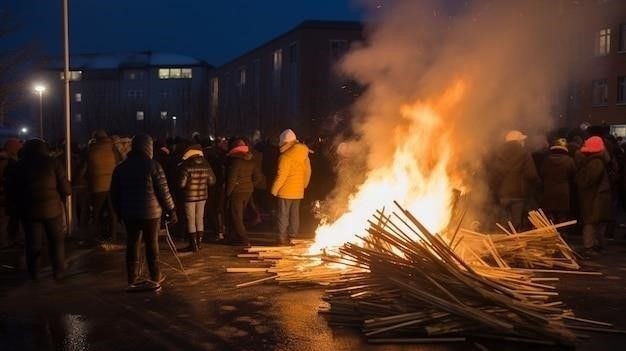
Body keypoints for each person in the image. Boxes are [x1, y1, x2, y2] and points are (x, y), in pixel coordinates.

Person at [111, 134, 177, 292]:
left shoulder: (121, 167)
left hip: (130, 213)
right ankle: (155, 276)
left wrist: (119, 212)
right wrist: (171, 210)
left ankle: (132, 278)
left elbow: (115, 194)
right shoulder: (153, 166)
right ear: (148, 147)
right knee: (151, 244)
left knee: (132, 243)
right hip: (151, 213)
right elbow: (163, 191)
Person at [5, 139, 71, 280]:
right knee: (56, 241)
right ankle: (58, 271)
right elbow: (66, 189)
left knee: (32, 243)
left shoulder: (18, 165)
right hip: (52, 210)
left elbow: (11, 190)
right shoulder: (53, 163)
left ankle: (34, 273)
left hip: (29, 210)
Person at [490, 130, 541, 231]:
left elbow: (494, 175)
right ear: (518, 141)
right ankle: (515, 243)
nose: (523, 142)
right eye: (522, 140)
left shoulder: (498, 154)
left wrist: (497, 191)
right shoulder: (524, 154)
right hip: (518, 194)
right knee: (516, 224)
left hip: (503, 195)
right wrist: (538, 185)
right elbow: (531, 174)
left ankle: (503, 243)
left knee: (504, 223)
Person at [76, 130, 119, 241]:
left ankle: (95, 235)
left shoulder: (90, 151)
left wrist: (78, 180)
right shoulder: (113, 149)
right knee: (112, 212)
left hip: (97, 185)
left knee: (96, 213)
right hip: (113, 186)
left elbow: (82, 170)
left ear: (95, 139)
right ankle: (113, 235)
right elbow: (120, 164)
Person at [270, 129, 311, 245]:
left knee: (283, 215)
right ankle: (293, 237)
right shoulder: (304, 154)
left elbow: (281, 175)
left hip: (285, 191)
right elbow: (308, 171)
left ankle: (281, 238)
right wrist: (304, 185)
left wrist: (274, 189)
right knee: (295, 214)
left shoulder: (285, 157)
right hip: (298, 191)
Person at [575, 136, 612, 259]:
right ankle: (598, 245)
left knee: (590, 223)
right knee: (598, 223)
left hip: (595, 198)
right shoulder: (599, 160)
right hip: (600, 198)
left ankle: (589, 247)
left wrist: (580, 169)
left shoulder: (595, 162)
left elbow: (586, 181)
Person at [177, 145, 216, 252]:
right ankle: (199, 243)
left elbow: (181, 184)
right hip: (203, 196)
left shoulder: (186, 165)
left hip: (189, 197)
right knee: (200, 218)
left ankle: (193, 245)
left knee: (191, 220)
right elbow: (212, 181)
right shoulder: (206, 164)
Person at [225, 138, 262, 247]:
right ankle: (234, 237)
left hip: (237, 192)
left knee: (236, 216)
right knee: (239, 216)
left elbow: (231, 179)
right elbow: (258, 177)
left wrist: (228, 193)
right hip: (248, 191)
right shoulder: (250, 160)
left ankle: (244, 240)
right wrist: (250, 185)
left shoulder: (235, 161)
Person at [539, 138, 575, 226]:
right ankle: (561, 235)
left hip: (548, 191)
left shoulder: (546, 160)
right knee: (562, 217)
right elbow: (573, 175)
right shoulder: (569, 160)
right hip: (563, 192)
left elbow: (542, 174)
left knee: (549, 217)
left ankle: (549, 235)